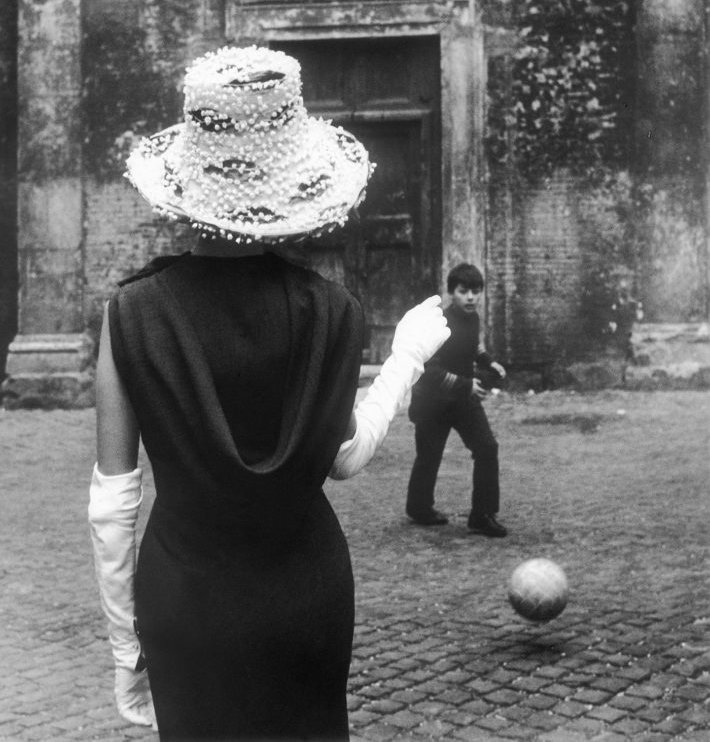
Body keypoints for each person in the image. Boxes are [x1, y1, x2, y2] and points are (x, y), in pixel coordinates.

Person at [88, 45, 450, 742]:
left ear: (186, 185)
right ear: (295, 184)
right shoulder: (333, 311)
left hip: (185, 597)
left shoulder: (130, 314)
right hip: (304, 594)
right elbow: (343, 458)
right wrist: (404, 359)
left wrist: (126, 646)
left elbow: (112, 504)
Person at [405, 262, 508, 536]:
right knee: (429, 456)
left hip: (463, 398)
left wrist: (489, 362)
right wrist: (466, 384)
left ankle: (482, 514)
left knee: (487, 448)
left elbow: (473, 347)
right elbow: (428, 369)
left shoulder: (473, 319)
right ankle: (419, 508)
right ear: (452, 293)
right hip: (432, 403)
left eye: (476, 291)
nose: (471, 297)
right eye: (464, 291)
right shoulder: (437, 323)